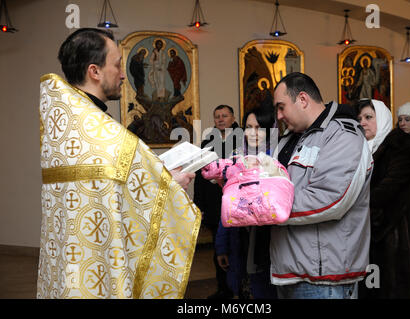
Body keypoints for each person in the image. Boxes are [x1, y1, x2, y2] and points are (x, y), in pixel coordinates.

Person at [37, 28, 200, 299]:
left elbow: (108, 193)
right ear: (95, 71)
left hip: (67, 266)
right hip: (100, 272)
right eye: (116, 65)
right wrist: (171, 185)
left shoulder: (63, 125)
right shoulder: (108, 137)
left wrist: (161, 178)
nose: (124, 75)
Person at [270, 72, 372, 299]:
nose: (278, 115)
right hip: (289, 270)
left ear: (303, 99)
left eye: (281, 107)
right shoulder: (289, 139)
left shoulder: (342, 135)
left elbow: (330, 199)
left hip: (324, 279)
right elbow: (275, 185)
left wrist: (267, 207)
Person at [356, 99, 410, 298]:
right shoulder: (361, 148)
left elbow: (391, 187)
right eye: (359, 118)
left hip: (391, 230)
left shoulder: (399, 145)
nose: (363, 122)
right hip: (366, 233)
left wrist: (359, 204)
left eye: (369, 117)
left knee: (393, 286)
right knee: (372, 287)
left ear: (383, 118)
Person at [214, 107, 278, 299]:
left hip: (267, 242)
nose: (253, 133)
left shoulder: (276, 158)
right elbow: (228, 204)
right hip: (239, 239)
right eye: (248, 127)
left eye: (259, 127)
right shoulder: (237, 157)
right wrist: (221, 245)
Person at [193, 105, 239, 299]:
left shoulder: (243, 138)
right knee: (218, 248)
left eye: (225, 116)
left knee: (236, 247)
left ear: (233, 117)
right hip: (213, 203)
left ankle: (240, 288)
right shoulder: (207, 142)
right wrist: (199, 205)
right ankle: (223, 289)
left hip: (236, 201)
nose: (221, 119)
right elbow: (199, 175)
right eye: (217, 116)